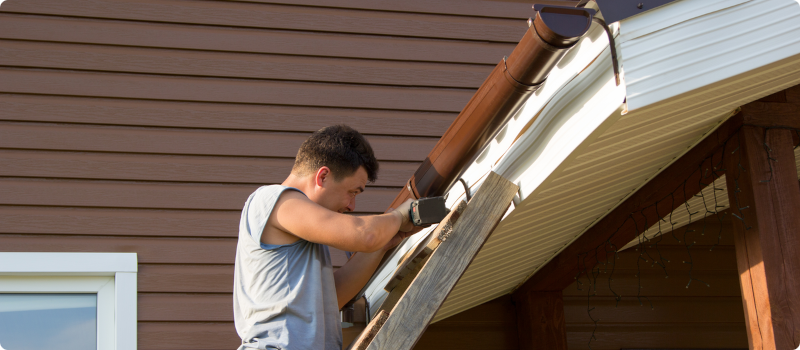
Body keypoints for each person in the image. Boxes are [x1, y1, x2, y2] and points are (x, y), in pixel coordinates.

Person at [233, 125, 416, 350]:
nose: (352, 205)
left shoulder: (303, 233)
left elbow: (328, 300)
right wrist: (399, 215)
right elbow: (364, 234)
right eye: (353, 192)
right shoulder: (273, 200)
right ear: (323, 176)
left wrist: (381, 246)